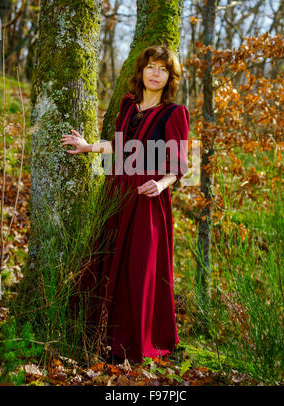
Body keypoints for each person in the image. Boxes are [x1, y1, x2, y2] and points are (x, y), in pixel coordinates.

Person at [60, 45, 190, 364]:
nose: (155, 73)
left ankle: (136, 340)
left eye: (163, 69)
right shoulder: (127, 106)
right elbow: (119, 148)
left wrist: (160, 184)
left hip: (148, 198)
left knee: (140, 266)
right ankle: (99, 333)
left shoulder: (175, 113)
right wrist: (87, 146)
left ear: (170, 77)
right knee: (106, 257)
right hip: (117, 189)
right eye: (151, 66)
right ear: (141, 71)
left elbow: (180, 165)